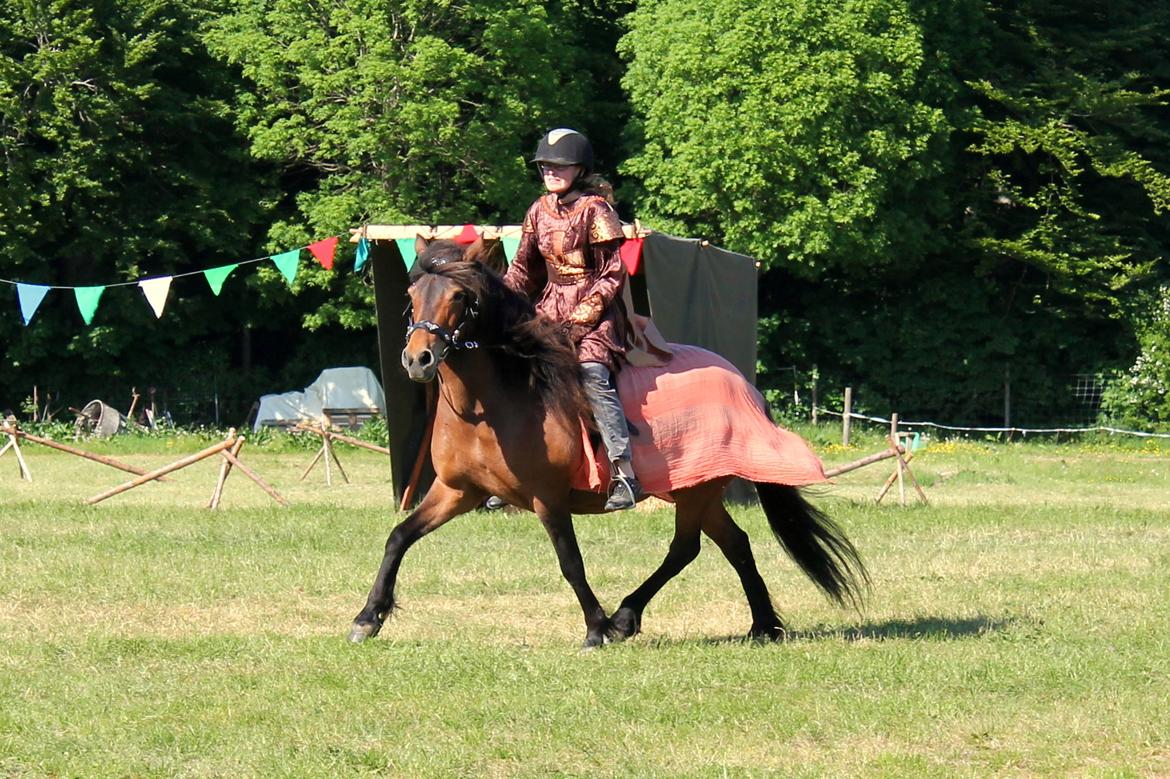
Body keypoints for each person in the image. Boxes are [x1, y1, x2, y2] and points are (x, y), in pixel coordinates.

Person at [497, 128, 665, 511]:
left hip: (599, 313)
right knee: (513, 368)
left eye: (559, 166)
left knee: (591, 373)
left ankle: (625, 473)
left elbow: (611, 275)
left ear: (579, 168)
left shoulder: (596, 210)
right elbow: (523, 269)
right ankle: (511, 471)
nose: (550, 172)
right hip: (549, 308)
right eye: (545, 166)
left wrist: (579, 321)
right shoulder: (538, 210)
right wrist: (499, 300)